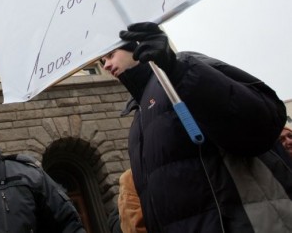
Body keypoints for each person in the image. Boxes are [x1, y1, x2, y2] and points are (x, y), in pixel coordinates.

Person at [102, 22, 292, 233]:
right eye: (102, 60)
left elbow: (263, 123)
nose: (105, 65)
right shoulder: (139, 118)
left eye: (111, 55)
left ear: (135, 44)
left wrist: (177, 70)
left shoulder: (184, 66)